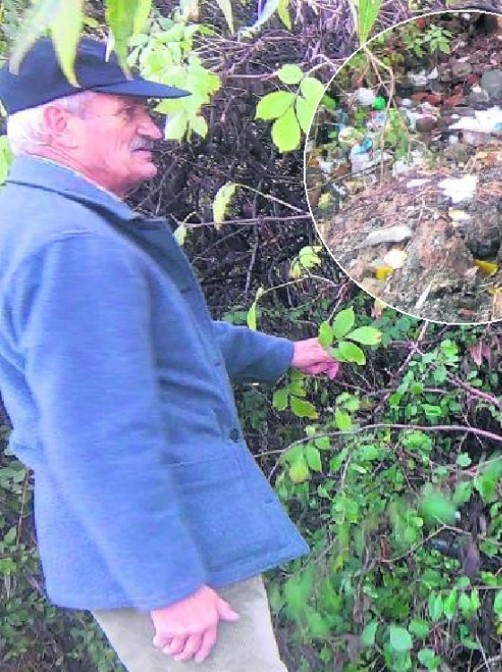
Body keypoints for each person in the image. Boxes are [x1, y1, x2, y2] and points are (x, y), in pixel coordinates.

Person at [0, 37, 339, 671]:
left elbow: (161, 341)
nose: (152, 128)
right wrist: (170, 585)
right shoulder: (73, 245)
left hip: (153, 547)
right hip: (176, 557)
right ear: (57, 122)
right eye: (127, 113)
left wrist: (279, 354)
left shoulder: (38, 219)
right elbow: (96, 432)